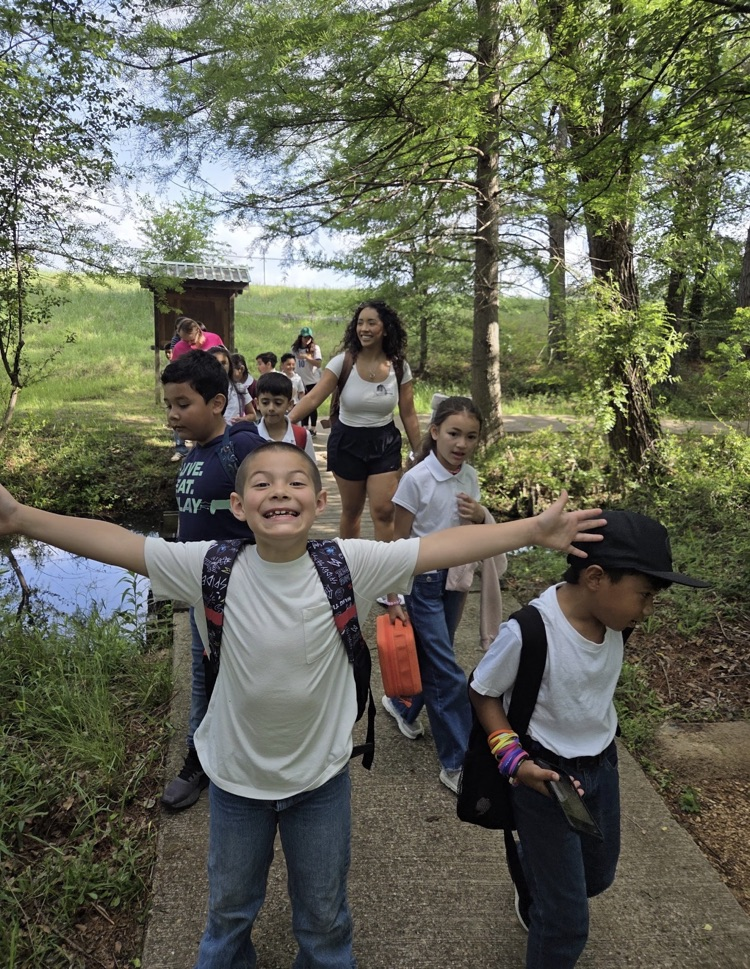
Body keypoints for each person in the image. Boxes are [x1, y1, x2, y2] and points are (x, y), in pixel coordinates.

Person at [0, 444, 607, 969]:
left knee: (323, 917)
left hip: (320, 780)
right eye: (260, 484)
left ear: (319, 502)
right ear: (239, 508)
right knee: (229, 913)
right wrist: (21, 516)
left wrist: (531, 529)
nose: (278, 492)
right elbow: (120, 544)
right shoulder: (208, 566)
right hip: (235, 781)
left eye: (295, 483)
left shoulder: (348, 564)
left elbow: (439, 547)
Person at [469, 510, 710, 969]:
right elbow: (482, 690)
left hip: (602, 767)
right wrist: (512, 758)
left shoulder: (617, 622)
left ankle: (534, 869)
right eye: (645, 596)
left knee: (596, 876)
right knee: (565, 924)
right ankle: (543, 887)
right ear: (596, 577)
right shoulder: (530, 632)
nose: (647, 610)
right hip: (546, 779)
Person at [160, 350, 264, 810]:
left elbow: (272, 514)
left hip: (238, 594)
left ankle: (211, 761)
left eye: (183, 404)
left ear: (218, 403)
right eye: (168, 405)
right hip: (199, 593)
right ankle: (203, 759)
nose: (173, 415)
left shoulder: (239, 451)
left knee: (232, 678)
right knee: (205, 676)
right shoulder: (194, 454)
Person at [381, 396, 496, 794]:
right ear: (434, 433)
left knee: (436, 656)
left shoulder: (470, 476)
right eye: (453, 433)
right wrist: (393, 597)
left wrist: (480, 515)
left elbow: (478, 527)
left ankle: (402, 704)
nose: (461, 443)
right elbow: (398, 541)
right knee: (447, 672)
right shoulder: (416, 480)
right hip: (422, 583)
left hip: (458, 580)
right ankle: (458, 762)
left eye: (470, 436)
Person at [288, 300, 421, 541]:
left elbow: (409, 412)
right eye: (360, 323)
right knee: (352, 511)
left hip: (385, 443)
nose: (364, 328)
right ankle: (351, 564)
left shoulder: (399, 367)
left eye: (372, 323)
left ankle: (385, 567)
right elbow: (314, 397)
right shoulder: (343, 362)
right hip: (347, 442)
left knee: (384, 510)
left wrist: (420, 450)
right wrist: (284, 423)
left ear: (386, 328)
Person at [255, 371, 316, 462]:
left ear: (290, 404)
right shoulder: (251, 435)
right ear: (257, 403)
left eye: (278, 403)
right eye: (265, 402)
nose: (271, 408)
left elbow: (310, 472)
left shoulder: (302, 436)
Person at [207, 346, 256, 423]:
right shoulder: (201, 389)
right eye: (215, 363)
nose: (220, 367)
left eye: (223, 363)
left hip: (234, 432)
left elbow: (252, 415)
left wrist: (243, 419)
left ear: (229, 365)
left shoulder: (239, 388)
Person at [291, 326, 323, 436]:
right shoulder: (295, 349)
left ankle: (313, 428)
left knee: (312, 404)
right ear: (300, 337)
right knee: (302, 403)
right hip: (300, 380)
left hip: (313, 380)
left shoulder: (315, 349)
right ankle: (304, 427)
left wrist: (307, 357)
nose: (306, 340)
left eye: (309, 337)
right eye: (304, 337)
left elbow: (318, 363)